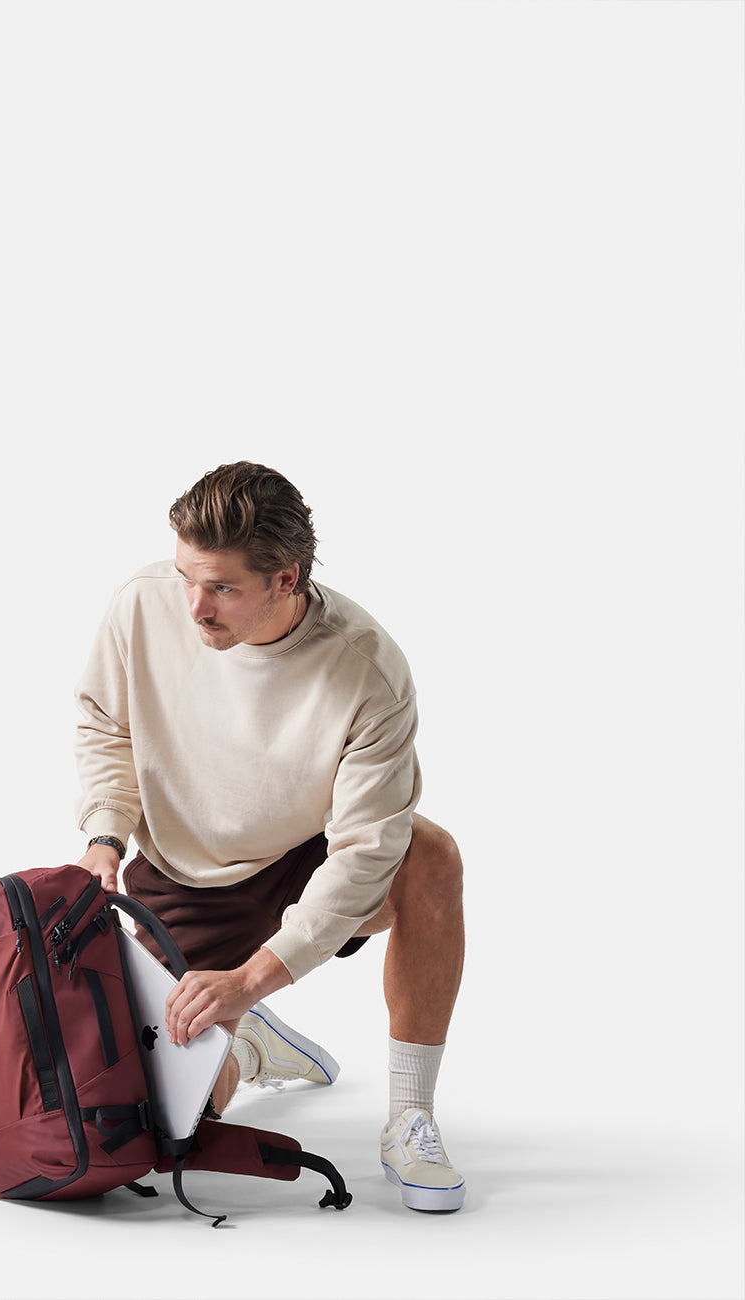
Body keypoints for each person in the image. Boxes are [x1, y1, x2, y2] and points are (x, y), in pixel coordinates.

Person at [73, 461, 466, 1212]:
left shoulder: (365, 671)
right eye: (188, 575)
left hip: (302, 856)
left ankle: (410, 1114)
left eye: (222, 587)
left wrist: (254, 978)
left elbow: (362, 853)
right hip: (183, 872)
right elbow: (105, 725)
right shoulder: (144, 605)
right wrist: (105, 838)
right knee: (171, 1125)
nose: (194, 606)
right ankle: (247, 1047)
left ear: (286, 580)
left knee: (429, 854)